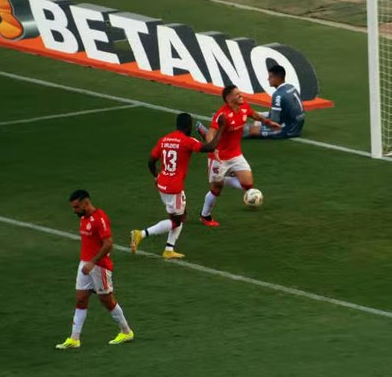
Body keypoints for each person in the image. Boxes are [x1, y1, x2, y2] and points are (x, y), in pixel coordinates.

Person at [130, 112, 223, 259]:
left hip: (162, 185)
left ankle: (169, 249)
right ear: (189, 126)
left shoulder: (164, 140)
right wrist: (221, 128)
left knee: (178, 215)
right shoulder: (186, 141)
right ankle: (141, 234)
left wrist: (156, 176)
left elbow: (150, 161)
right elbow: (210, 147)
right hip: (175, 188)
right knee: (177, 220)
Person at [55, 190, 133, 349]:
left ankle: (126, 332)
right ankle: (74, 338)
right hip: (85, 264)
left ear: (85, 203)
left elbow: (108, 244)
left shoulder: (100, 218)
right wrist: (86, 263)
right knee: (81, 299)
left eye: (76, 207)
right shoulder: (83, 217)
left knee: (107, 300)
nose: (74, 210)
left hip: (99, 266)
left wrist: (92, 262)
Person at [197, 85, 281, 227]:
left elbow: (253, 114)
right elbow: (211, 132)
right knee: (215, 190)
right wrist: (213, 148)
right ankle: (205, 216)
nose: (241, 95)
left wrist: (267, 122)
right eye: (237, 94)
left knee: (248, 185)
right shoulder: (222, 115)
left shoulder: (244, 107)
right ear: (229, 98)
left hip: (235, 154)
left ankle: (225, 179)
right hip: (219, 156)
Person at [244, 65, 306, 140]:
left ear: (277, 78)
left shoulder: (278, 95)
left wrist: (260, 121)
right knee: (259, 116)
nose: (268, 79)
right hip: (297, 125)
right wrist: (259, 115)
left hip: (286, 130)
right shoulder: (291, 87)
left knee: (251, 129)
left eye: (270, 77)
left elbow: (275, 120)